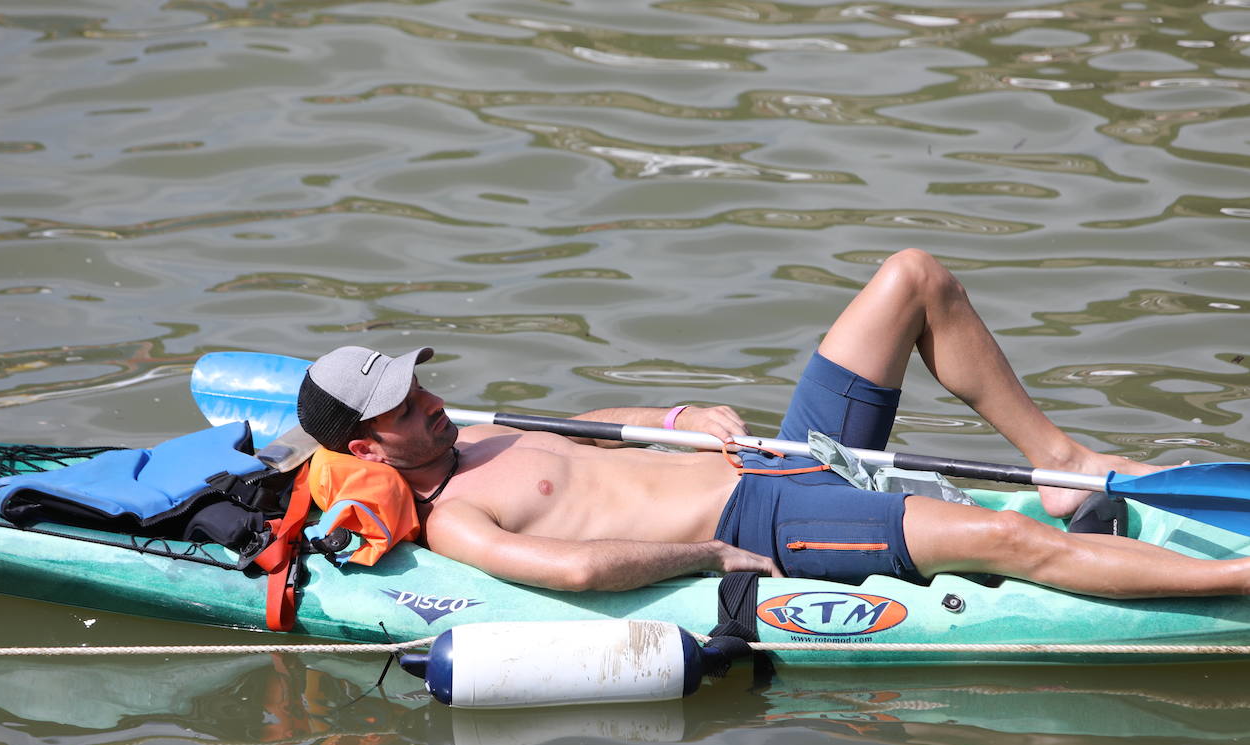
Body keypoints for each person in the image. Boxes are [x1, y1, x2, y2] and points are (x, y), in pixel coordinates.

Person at [296, 248, 1250, 599]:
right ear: (369, 448)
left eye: (422, 385)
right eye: (408, 408)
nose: (433, 401)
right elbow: (578, 570)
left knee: (911, 278)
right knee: (1004, 539)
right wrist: (712, 559)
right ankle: (1235, 579)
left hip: (784, 451)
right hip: (764, 522)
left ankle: (1058, 456)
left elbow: (611, 421)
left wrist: (682, 414)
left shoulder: (491, 430)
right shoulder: (457, 518)